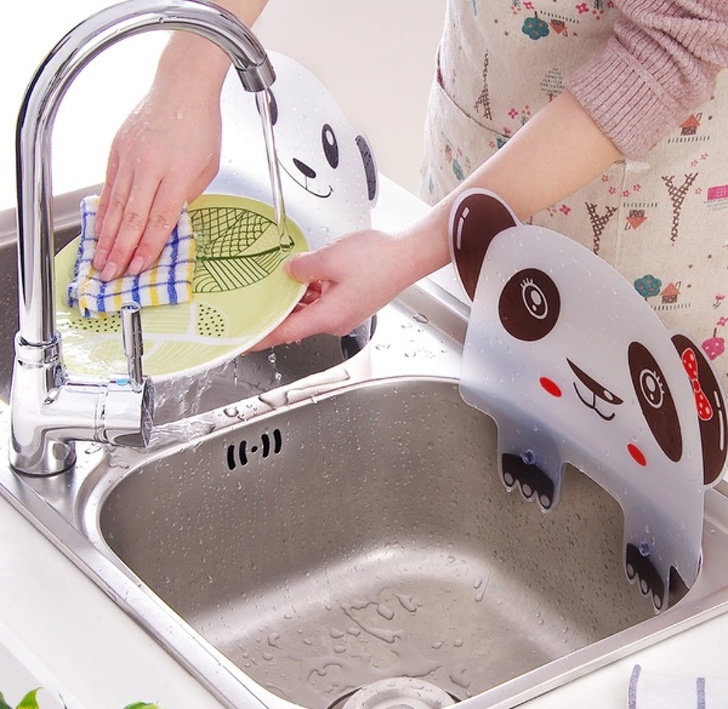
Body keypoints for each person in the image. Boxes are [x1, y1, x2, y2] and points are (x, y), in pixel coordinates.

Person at [94, 0, 728, 379]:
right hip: (471, 147)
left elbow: (673, 42)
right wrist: (187, 71)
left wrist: (409, 251)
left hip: (634, 224)